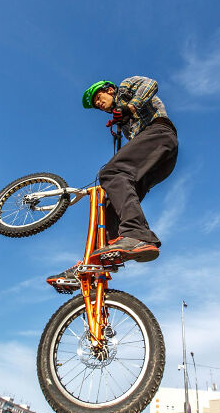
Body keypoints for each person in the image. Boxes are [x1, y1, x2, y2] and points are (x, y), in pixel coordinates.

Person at [47, 76, 179, 285]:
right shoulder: (124, 122)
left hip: (160, 134)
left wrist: (130, 108)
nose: (99, 105)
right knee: (110, 205)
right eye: (97, 106)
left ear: (109, 90)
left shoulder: (126, 87)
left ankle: (136, 234)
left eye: (99, 98)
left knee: (110, 173)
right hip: (158, 159)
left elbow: (150, 85)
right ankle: (95, 258)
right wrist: (123, 122)